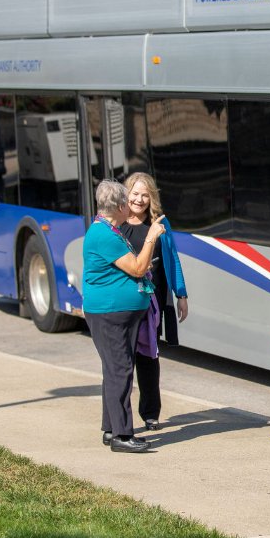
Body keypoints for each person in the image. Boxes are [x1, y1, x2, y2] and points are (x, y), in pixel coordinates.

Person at [83, 179, 165, 453]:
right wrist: (152, 236)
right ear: (119, 206)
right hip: (110, 313)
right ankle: (122, 435)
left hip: (114, 312)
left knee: (114, 370)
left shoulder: (107, 230)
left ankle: (110, 429)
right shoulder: (104, 235)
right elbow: (139, 268)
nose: (130, 206)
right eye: (126, 202)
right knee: (120, 371)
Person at [120, 172, 188, 430]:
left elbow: (173, 259)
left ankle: (150, 413)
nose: (139, 200)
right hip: (125, 302)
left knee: (149, 357)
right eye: (134, 194)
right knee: (124, 360)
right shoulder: (117, 223)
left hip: (153, 303)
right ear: (126, 195)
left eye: (144, 195)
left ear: (152, 198)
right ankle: (121, 417)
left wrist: (181, 294)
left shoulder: (160, 223)